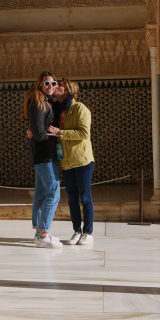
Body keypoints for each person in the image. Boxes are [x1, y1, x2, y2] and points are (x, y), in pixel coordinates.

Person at [23, 71, 62, 249]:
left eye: (53, 83)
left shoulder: (46, 102)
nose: (51, 87)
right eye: (47, 83)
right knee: (53, 192)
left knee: (40, 194)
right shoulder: (37, 104)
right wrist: (54, 134)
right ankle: (43, 232)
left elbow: (37, 131)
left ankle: (40, 232)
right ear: (40, 84)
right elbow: (39, 133)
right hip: (44, 154)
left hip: (44, 154)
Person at [53, 79, 95, 245]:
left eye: (60, 85)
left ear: (68, 90)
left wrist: (61, 133)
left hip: (82, 161)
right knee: (72, 198)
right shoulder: (58, 110)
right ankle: (77, 231)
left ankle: (88, 232)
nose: (56, 87)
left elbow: (84, 133)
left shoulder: (79, 108)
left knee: (85, 197)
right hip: (67, 161)